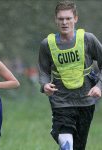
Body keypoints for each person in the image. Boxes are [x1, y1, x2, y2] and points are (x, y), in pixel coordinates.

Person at [38, 1, 102, 150]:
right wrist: (44, 85)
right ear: (55, 20)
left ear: (75, 18)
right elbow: (43, 70)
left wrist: (99, 86)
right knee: (67, 145)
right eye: (61, 19)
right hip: (61, 100)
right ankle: (59, 131)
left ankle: (58, 132)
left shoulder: (88, 39)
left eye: (68, 18)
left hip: (86, 100)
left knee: (78, 146)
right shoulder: (47, 44)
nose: (64, 22)